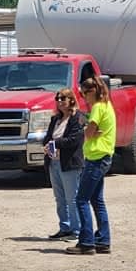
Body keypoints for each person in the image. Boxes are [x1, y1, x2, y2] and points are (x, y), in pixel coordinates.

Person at [66, 76, 116, 255]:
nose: (83, 97)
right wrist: (91, 130)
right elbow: (92, 131)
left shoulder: (97, 108)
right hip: (104, 156)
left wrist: (87, 130)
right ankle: (103, 239)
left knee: (81, 199)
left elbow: (88, 133)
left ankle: (86, 242)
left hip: (96, 158)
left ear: (92, 91)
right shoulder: (107, 105)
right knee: (96, 200)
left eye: (83, 93)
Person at [43, 88, 85, 240]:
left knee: (72, 198)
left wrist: (56, 143)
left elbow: (75, 139)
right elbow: (48, 137)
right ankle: (65, 227)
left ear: (71, 100)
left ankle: (77, 230)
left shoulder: (77, 118)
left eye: (63, 98)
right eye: (58, 98)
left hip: (70, 163)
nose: (60, 101)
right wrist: (47, 144)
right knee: (60, 198)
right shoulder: (55, 119)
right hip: (54, 163)